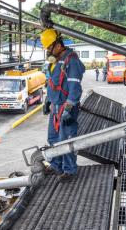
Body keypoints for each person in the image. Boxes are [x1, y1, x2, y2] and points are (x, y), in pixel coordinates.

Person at [41, 28, 85, 183]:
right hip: (56, 105)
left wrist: (68, 108)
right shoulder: (57, 60)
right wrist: (48, 100)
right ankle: (56, 165)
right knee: (53, 138)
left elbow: (75, 88)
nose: (48, 52)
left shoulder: (71, 60)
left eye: (49, 48)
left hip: (66, 107)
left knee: (66, 139)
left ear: (58, 45)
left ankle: (70, 170)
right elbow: (53, 83)